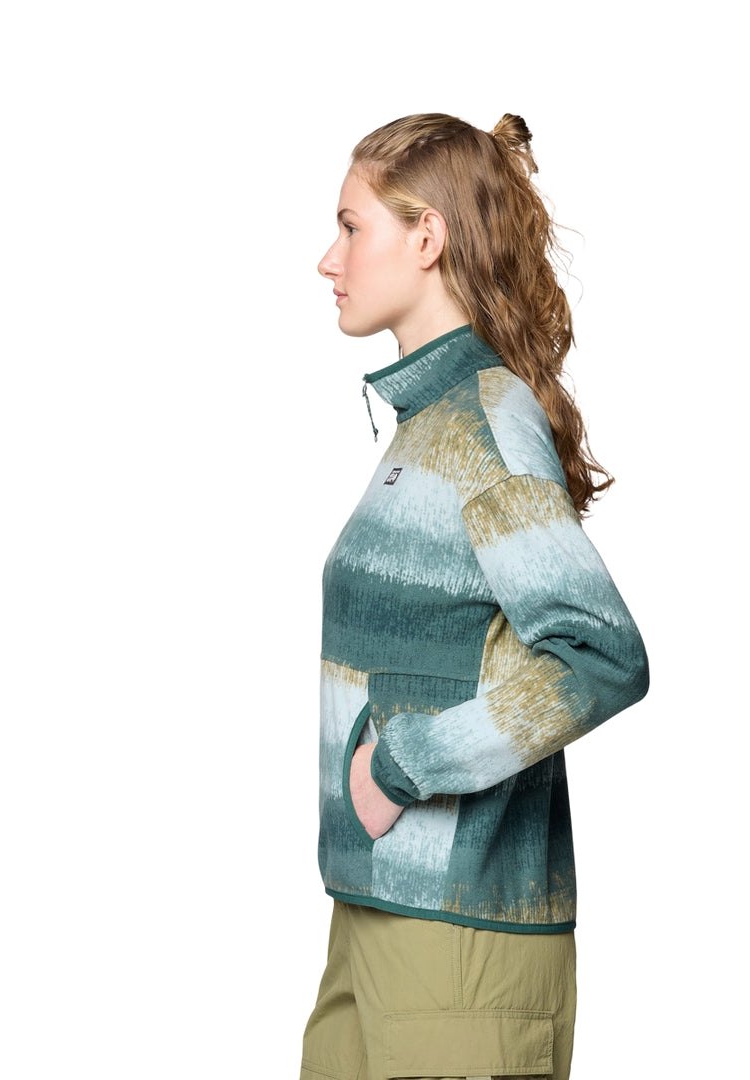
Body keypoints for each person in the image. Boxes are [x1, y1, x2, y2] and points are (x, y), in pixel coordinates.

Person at [302, 112, 649, 1080]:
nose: (328, 259)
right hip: (377, 917)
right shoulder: (431, 424)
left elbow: (599, 657)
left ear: (428, 238)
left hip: (460, 943)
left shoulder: (486, 423)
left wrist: (400, 766)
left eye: (351, 227)